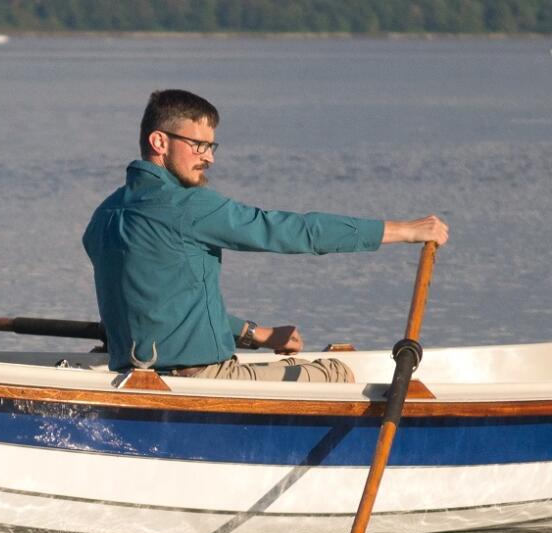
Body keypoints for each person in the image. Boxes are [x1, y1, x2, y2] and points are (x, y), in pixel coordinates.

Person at [82, 88, 449, 383]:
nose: (208, 157)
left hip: (135, 373)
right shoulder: (189, 206)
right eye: (198, 145)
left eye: (212, 146)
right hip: (203, 377)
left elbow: (168, 308)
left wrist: (256, 335)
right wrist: (404, 230)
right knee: (338, 372)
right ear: (160, 142)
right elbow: (290, 231)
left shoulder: (103, 217)